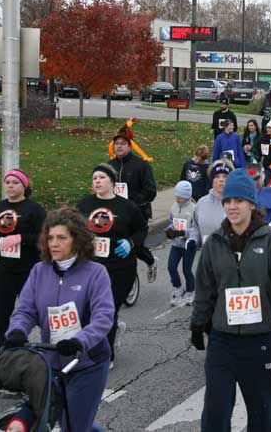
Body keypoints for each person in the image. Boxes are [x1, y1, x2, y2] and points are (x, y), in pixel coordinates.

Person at [190, 168, 271, 432]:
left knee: (262, 413)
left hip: (261, 340)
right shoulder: (215, 242)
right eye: (228, 201)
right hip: (223, 340)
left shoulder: (270, 239)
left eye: (238, 200)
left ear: (251, 203)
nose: (232, 206)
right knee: (215, 413)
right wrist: (197, 323)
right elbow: (204, 288)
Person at [4, 208, 114, 432]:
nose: (54, 243)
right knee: (61, 420)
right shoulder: (39, 271)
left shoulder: (96, 273)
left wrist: (80, 341)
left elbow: (103, 317)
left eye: (62, 238)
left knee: (73, 426)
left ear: (77, 240)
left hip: (87, 363)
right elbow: (25, 310)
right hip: (51, 362)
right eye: (50, 237)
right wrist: (17, 331)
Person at [76, 163, 146, 367]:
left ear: (112, 182)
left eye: (101, 178)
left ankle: (107, 355)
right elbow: (73, 230)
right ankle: (104, 338)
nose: (97, 181)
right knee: (88, 311)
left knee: (109, 309)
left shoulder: (127, 207)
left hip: (120, 267)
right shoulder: (84, 206)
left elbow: (141, 230)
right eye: (94, 178)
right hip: (91, 267)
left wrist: (130, 242)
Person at [0, 169, 47, 347]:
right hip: (5, 269)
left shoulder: (34, 209)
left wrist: (21, 238)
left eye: (15, 182)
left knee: (37, 313)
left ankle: (52, 346)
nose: (10, 185)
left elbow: (45, 237)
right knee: (2, 312)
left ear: (24, 186)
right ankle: (5, 348)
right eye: (7, 182)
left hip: (30, 269)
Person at [107, 120, 158, 281]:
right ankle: (125, 278)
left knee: (134, 245)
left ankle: (150, 262)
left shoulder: (141, 165)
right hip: (116, 214)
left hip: (138, 212)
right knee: (118, 246)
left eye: (123, 144)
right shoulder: (110, 166)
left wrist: (133, 202)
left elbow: (150, 191)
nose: (119, 147)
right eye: (117, 144)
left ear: (130, 146)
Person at [165, 181, 199, 307]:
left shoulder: (194, 209)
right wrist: (169, 230)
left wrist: (183, 233)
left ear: (188, 195)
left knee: (186, 269)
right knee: (171, 267)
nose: (177, 198)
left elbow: (196, 228)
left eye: (180, 196)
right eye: (176, 195)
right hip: (176, 244)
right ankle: (178, 288)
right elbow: (171, 221)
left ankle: (191, 291)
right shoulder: (174, 206)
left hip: (188, 245)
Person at [192, 160, 232, 246]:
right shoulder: (201, 203)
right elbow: (195, 228)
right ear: (212, 180)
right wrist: (193, 240)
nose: (221, 180)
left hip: (229, 257)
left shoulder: (236, 204)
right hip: (206, 256)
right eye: (217, 176)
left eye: (225, 176)